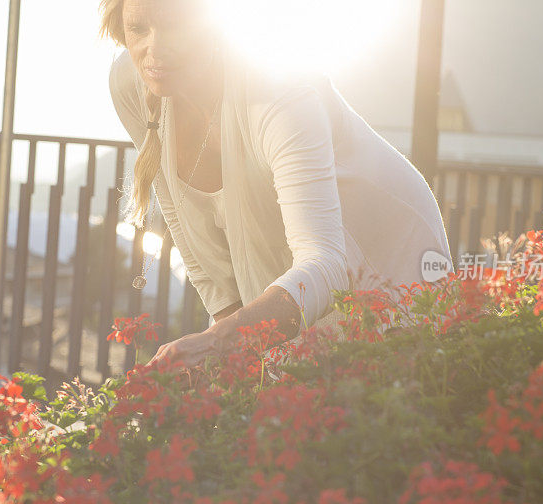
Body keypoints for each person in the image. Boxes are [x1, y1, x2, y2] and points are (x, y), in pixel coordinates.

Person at [100, 0, 452, 369]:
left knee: (375, 406)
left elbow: (327, 265)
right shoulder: (132, 83)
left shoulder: (279, 90)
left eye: (173, 27)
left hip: (382, 257)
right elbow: (180, 211)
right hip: (299, 270)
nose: (154, 50)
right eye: (139, 29)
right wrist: (227, 344)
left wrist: (219, 343)